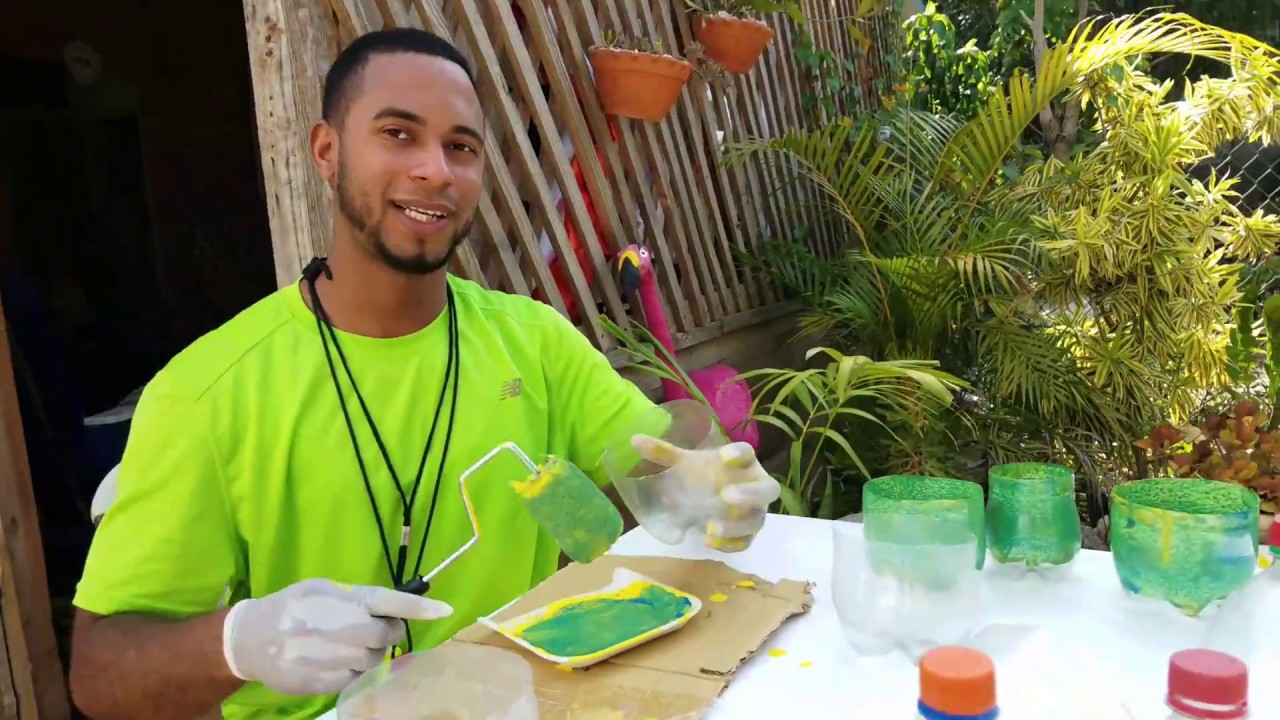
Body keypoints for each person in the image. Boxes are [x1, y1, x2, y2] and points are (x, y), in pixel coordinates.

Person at [67, 28, 781, 720]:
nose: (435, 169)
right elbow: (99, 677)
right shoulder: (210, 393)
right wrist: (237, 643)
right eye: (398, 134)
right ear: (326, 151)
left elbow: (657, 449)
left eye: (460, 147)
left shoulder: (531, 340)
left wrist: (705, 473)